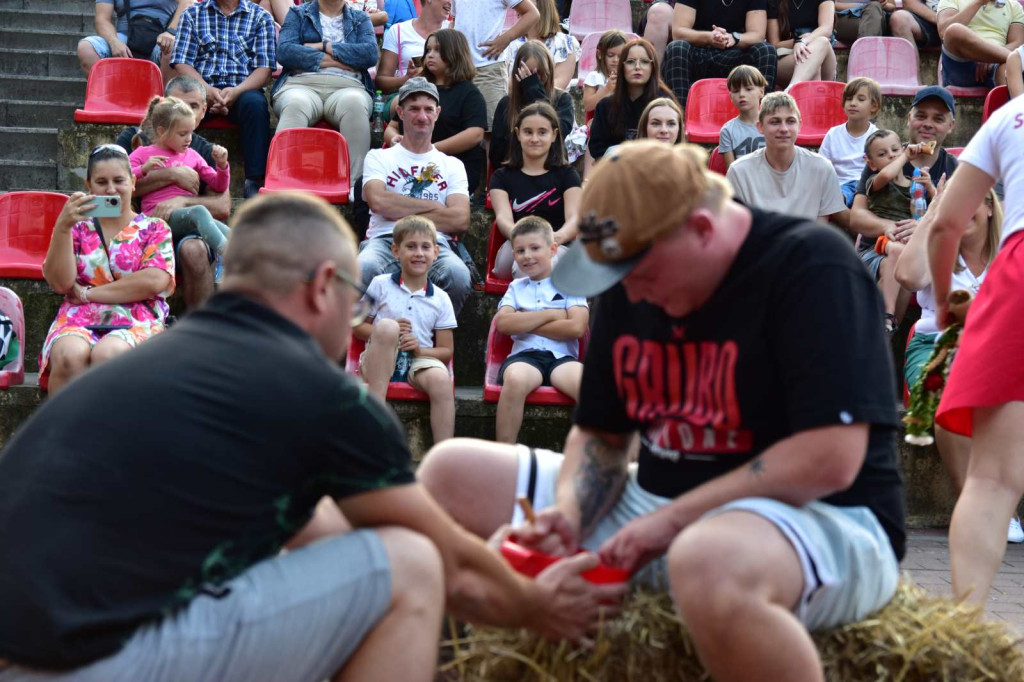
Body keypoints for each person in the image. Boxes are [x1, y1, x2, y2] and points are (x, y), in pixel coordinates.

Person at [0, 192, 624, 682]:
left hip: (33, 646)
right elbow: (452, 568)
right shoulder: (306, 384)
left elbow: (326, 529)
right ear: (323, 284)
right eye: (353, 295)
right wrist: (538, 605)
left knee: (337, 542)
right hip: (86, 660)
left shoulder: (157, 358)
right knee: (409, 566)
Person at [419, 140, 905, 682]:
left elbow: (829, 460)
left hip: (822, 517)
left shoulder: (812, 265)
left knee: (702, 557)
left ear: (701, 229)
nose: (629, 289)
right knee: (448, 474)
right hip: (661, 503)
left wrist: (665, 526)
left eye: (638, 271)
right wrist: (572, 513)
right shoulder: (633, 277)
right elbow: (602, 434)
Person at [927, 90, 1024, 607]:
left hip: (1020, 272)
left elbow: (945, 223)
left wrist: (945, 304)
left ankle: (964, 634)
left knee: (990, 480)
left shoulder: (1009, 116)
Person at [892, 188, 1020, 541]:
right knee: (951, 394)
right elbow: (907, 277)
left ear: (992, 209)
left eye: (971, 202)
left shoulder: (1009, 252)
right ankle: (975, 507)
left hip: (996, 351)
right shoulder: (938, 247)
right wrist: (933, 213)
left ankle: (1001, 503)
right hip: (935, 345)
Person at [38, 145, 175, 395]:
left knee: (108, 354)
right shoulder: (77, 228)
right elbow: (60, 283)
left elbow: (154, 280)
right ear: (89, 186)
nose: (111, 189)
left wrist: (88, 294)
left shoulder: (155, 228)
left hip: (137, 317)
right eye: (102, 182)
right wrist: (63, 226)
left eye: (119, 180)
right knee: (69, 357)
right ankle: (63, 432)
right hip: (78, 317)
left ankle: (109, 433)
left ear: (133, 182)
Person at [115, 76, 230, 311]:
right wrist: (172, 175)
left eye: (193, 106)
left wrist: (183, 199)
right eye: (177, 103)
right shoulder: (133, 141)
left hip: (186, 225)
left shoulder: (201, 150)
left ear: (204, 111)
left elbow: (222, 206)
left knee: (195, 249)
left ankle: (203, 328)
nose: (183, 110)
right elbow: (116, 189)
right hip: (142, 224)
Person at [360, 77, 472, 315]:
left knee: (458, 275)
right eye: (414, 109)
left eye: (428, 109)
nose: (422, 116)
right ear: (400, 112)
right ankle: (370, 335)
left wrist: (397, 206)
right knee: (363, 267)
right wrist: (437, 209)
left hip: (434, 244)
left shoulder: (452, 165)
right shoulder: (379, 157)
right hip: (385, 240)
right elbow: (378, 201)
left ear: (437, 113)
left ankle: (431, 332)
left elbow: (459, 219)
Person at [850, 85, 959, 297]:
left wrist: (922, 228)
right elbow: (857, 217)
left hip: (927, 255)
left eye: (938, 119)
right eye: (921, 116)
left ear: (951, 125)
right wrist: (891, 227)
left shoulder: (953, 167)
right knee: (897, 262)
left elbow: (962, 222)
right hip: (879, 250)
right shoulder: (886, 159)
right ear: (909, 118)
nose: (928, 124)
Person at [356, 216, 457, 443]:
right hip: (379, 359)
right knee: (387, 327)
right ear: (395, 251)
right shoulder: (379, 284)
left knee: (442, 381)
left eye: (425, 247)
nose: (418, 253)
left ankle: (445, 452)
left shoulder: (441, 299)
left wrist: (420, 349)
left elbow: (445, 351)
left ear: (436, 253)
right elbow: (357, 326)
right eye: (410, 247)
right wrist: (384, 329)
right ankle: (373, 426)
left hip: (419, 361)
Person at [494, 216, 588, 443]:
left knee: (588, 385)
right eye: (520, 251)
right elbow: (504, 324)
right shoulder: (515, 288)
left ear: (553, 249)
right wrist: (551, 314)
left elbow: (576, 327)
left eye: (535, 248)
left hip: (562, 359)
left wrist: (525, 321)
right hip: (524, 357)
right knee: (515, 380)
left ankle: (595, 458)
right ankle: (505, 454)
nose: (527, 256)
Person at [170, 0, 276, 198]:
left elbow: (264, 69)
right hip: (201, 87)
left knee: (255, 105)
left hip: (242, 89)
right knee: (182, 107)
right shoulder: (192, 14)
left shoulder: (261, 17)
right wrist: (206, 90)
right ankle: (179, 170)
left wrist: (236, 91)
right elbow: (182, 62)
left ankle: (254, 180)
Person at [272, 0, 378, 183]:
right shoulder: (298, 13)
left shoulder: (360, 18)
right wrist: (340, 61)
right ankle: (283, 181)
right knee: (295, 103)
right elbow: (285, 52)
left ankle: (355, 185)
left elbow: (369, 54)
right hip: (301, 84)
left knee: (355, 103)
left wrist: (324, 46)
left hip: (348, 86)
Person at [384, 29, 487, 195]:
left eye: (437, 50)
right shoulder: (417, 88)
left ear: (455, 53)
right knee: (364, 185)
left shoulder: (469, 93)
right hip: (409, 164)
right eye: (428, 50)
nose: (430, 55)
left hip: (451, 168)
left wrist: (430, 150)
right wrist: (395, 140)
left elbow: (475, 134)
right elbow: (393, 126)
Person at [489, 102, 582, 279]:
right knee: (526, 261)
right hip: (516, 244)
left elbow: (574, 219)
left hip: (557, 245)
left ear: (554, 135)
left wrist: (551, 239)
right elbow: (503, 218)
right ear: (517, 134)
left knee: (532, 264)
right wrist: (526, 241)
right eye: (528, 132)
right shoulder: (501, 177)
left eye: (542, 132)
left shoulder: (568, 175)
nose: (534, 139)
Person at [727, 92, 849, 226]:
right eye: (775, 122)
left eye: (790, 121)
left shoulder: (822, 168)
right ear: (760, 127)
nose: (784, 129)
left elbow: (819, 229)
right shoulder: (739, 171)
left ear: (800, 125)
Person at [861, 130, 935, 332]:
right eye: (882, 154)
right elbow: (886, 174)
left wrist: (930, 188)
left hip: (905, 247)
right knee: (896, 250)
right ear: (872, 164)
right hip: (879, 246)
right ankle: (888, 314)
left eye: (895, 150)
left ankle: (888, 328)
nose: (892, 155)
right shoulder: (875, 182)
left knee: (899, 259)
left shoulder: (914, 183)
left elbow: (935, 209)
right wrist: (905, 156)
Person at [660, 0, 777, 107]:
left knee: (766, 51)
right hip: (698, 52)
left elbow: (757, 35)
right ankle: (679, 118)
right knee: (676, 47)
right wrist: (709, 37)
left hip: (733, 54)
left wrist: (733, 38)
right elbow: (678, 32)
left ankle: (763, 117)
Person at [129, 97, 231, 219]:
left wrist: (222, 166)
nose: (189, 139)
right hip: (156, 217)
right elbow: (124, 178)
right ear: (161, 131)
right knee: (200, 213)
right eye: (182, 134)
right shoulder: (142, 153)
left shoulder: (192, 155)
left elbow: (219, 185)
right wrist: (143, 169)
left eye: (191, 133)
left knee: (206, 219)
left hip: (187, 215)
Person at [452, 0, 540, 133]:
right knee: (458, 128)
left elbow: (532, 13)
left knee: (492, 133)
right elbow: (455, 20)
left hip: (489, 66)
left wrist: (506, 38)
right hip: (458, 68)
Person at [490, 40, 576, 171]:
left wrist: (535, 92)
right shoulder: (506, 104)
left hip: (551, 172)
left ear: (549, 71)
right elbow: (496, 155)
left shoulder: (562, 100)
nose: (535, 80)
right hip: (515, 174)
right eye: (529, 74)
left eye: (540, 74)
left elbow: (559, 131)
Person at [589, 39, 676, 162]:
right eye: (630, 62)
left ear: (653, 67)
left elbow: (674, 143)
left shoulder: (665, 102)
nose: (637, 67)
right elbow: (596, 148)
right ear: (622, 66)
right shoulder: (605, 105)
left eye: (645, 62)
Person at [78, 0, 190, 80]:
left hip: (161, 38)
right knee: (86, 47)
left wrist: (171, 32)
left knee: (173, 48)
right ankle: (107, 96)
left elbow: (188, 2)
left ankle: (163, 104)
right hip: (124, 38)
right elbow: (102, 20)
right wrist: (114, 42)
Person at [375, 0, 451, 115]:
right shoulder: (398, 30)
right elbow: (381, 82)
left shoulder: (453, 31)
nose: (451, 2)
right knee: (417, 104)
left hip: (445, 92)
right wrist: (406, 79)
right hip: (404, 93)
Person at [820, 77, 881, 207]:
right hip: (838, 186)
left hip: (866, 186)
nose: (853, 103)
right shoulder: (833, 134)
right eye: (849, 98)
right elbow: (822, 165)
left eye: (860, 99)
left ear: (874, 106)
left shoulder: (876, 136)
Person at [936, 0, 1024, 89]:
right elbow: (944, 31)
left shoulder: (1014, 5)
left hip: (996, 64)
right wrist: (978, 2)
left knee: (1009, 68)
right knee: (954, 30)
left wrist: (990, 56)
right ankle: (1018, 59)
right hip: (961, 62)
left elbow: (1018, 43)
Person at [500, 0, 581, 90]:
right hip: (516, 102)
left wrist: (528, 82)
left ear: (543, 8)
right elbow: (504, 86)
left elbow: (558, 87)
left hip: (551, 103)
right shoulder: (510, 43)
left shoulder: (566, 43)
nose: (520, 5)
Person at [767, 0, 837, 88]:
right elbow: (774, 43)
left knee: (822, 41)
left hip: (823, 56)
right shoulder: (775, 2)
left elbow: (826, 29)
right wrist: (795, 42)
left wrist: (803, 41)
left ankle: (794, 86)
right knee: (813, 62)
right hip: (788, 56)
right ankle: (799, 90)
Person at [719, 64, 767, 169]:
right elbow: (731, 172)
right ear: (731, 96)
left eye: (748, 89)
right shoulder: (728, 130)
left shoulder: (772, 124)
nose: (741, 94)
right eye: (736, 91)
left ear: (761, 91)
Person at [582, 30, 628, 118]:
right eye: (611, 55)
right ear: (599, 54)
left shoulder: (627, 77)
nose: (616, 60)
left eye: (620, 56)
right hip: (597, 121)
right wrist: (607, 89)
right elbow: (587, 106)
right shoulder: (594, 77)